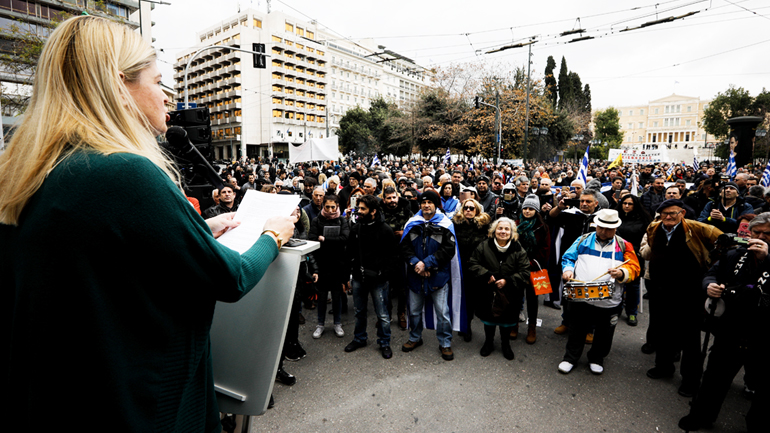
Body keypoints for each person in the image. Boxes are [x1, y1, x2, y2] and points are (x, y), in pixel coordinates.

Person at [0, 16, 295, 432]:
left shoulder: (25, 173)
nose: (167, 97)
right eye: (158, 82)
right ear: (119, 86)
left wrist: (197, 232)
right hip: (137, 406)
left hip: (56, 400)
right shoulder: (123, 172)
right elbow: (230, 277)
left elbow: (101, 258)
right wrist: (272, 235)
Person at [678, 212, 770, 432]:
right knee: (715, 377)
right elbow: (712, 274)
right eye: (756, 232)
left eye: (767, 234)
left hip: (763, 332)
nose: (760, 237)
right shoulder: (735, 254)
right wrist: (709, 286)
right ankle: (702, 416)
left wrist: (766, 259)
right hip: (731, 327)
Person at [643, 199, 722, 397]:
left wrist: (713, 270)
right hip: (661, 290)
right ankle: (663, 366)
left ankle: (691, 379)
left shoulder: (698, 228)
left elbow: (724, 243)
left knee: (690, 337)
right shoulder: (654, 227)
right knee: (663, 330)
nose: (668, 217)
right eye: (664, 214)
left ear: (683, 213)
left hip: (689, 292)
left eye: (673, 213)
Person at [557, 209, 641, 375]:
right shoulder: (583, 240)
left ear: (615, 228)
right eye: (601, 227)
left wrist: (622, 273)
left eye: (608, 229)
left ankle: (597, 358)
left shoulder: (624, 245)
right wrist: (568, 270)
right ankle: (570, 358)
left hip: (609, 300)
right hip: (581, 296)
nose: (603, 231)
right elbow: (568, 257)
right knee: (576, 329)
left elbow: (635, 267)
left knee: (605, 332)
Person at [400, 190, 462, 361]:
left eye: (430, 202)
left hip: (438, 278)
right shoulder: (412, 223)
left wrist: (427, 264)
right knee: (414, 311)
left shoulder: (445, 224)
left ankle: (445, 343)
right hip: (416, 276)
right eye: (423, 202)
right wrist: (417, 264)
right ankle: (415, 338)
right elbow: (405, 247)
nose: (426, 205)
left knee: (442, 313)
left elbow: (448, 250)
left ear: (436, 205)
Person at [344, 195, 397, 359]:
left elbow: (392, 257)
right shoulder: (356, 228)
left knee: (382, 314)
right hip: (359, 278)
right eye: (358, 208)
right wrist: (347, 276)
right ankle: (359, 338)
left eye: (363, 209)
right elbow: (349, 253)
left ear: (373, 211)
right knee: (359, 311)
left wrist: (383, 275)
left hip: (379, 280)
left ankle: (384, 342)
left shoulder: (385, 230)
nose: (359, 211)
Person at [469, 217, 530, 360]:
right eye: (500, 228)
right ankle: (488, 342)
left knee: (507, 320)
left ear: (512, 232)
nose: (503, 231)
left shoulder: (518, 249)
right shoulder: (484, 246)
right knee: (489, 318)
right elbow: (473, 263)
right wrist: (486, 274)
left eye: (507, 229)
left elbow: (525, 272)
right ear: (494, 230)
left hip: (510, 292)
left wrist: (507, 280)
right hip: (488, 290)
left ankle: (505, 344)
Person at [308, 194, 350, 339]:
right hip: (322, 264)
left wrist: (325, 239)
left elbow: (345, 238)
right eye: (327, 207)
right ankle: (320, 324)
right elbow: (312, 240)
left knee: (337, 296)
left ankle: (337, 323)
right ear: (323, 206)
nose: (330, 210)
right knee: (322, 297)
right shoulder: (316, 220)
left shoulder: (342, 220)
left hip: (338, 264)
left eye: (333, 207)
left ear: (337, 206)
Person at [452, 198, 492, 342]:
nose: (468, 210)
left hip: (478, 267)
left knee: (475, 298)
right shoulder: (456, 225)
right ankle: (465, 325)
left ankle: (473, 327)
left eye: (471, 208)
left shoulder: (484, 226)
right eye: (466, 208)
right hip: (460, 266)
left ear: (477, 210)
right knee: (463, 297)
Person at [515, 195, 551, 344]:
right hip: (517, 267)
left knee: (532, 299)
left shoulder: (542, 227)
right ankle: (514, 324)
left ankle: (532, 328)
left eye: (531, 209)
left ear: (536, 211)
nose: (527, 211)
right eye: (525, 208)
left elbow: (545, 249)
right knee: (516, 297)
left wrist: (531, 263)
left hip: (534, 267)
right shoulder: (516, 224)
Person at [614, 194, 652, 326]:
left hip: (634, 256)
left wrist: (636, 250)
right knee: (616, 283)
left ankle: (631, 312)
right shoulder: (616, 217)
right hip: (616, 255)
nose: (626, 206)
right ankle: (616, 309)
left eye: (630, 204)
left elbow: (646, 239)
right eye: (624, 203)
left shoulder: (643, 220)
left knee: (633, 286)